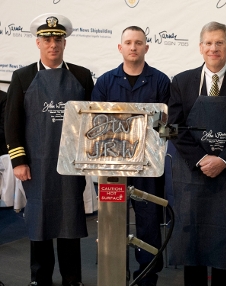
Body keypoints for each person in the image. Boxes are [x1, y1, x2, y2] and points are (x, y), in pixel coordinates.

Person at [168, 21, 226, 286]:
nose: (214, 48)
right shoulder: (182, 82)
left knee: (225, 243)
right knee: (192, 243)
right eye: (208, 43)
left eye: (220, 43)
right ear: (200, 48)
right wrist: (201, 159)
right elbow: (174, 128)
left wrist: (223, 159)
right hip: (192, 175)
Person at [5, 13, 93, 286]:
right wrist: (18, 161)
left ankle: (72, 278)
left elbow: (92, 119)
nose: (52, 44)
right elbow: (12, 121)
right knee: (39, 222)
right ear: (38, 43)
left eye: (58, 39)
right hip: (37, 164)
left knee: (70, 220)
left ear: (65, 43)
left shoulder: (81, 75)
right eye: (47, 39)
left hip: (72, 164)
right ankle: (39, 278)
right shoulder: (22, 76)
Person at [91, 26, 170, 286]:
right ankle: (114, 275)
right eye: (128, 42)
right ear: (120, 48)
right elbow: (95, 124)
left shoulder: (160, 81)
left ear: (147, 47)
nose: (133, 47)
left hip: (147, 167)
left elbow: (166, 127)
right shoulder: (104, 82)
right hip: (112, 167)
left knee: (148, 224)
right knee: (112, 222)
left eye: (139, 42)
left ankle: (146, 278)